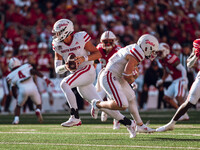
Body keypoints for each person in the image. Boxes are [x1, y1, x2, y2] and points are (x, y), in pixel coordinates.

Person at [52, 19, 140, 138]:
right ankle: (129, 123)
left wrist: (84, 58)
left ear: (66, 31)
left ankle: (75, 116)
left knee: (64, 84)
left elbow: (97, 54)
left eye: (58, 32)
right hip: (79, 75)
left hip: (87, 70)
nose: (56, 35)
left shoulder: (80, 37)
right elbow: (57, 69)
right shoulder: (57, 44)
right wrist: (65, 67)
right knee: (102, 105)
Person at [91, 34, 159, 133]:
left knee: (131, 97)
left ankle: (140, 125)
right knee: (122, 105)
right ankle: (97, 104)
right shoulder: (138, 52)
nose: (153, 53)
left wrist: (133, 75)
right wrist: (132, 80)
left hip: (116, 76)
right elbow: (127, 75)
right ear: (147, 47)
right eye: (152, 50)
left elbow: (130, 68)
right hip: (109, 75)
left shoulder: (135, 48)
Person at [156, 39, 200, 132]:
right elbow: (188, 64)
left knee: (180, 97)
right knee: (189, 101)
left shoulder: (170, 58)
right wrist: (195, 56)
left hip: (181, 79)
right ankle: (171, 124)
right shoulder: (197, 43)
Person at [6, 57, 54, 124]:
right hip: (32, 87)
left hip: (23, 90)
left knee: (18, 106)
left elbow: (13, 88)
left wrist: (15, 96)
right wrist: (45, 78)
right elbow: (34, 72)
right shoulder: (26, 66)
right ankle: (38, 110)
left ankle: (16, 120)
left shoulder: (10, 76)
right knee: (39, 104)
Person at [156, 43, 189, 120]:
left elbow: (183, 69)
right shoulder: (162, 60)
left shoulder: (170, 57)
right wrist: (162, 80)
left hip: (181, 79)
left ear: (166, 51)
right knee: (166, 98)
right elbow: (166, 71)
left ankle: (184, 114)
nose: (158, 54)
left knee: (178, 97)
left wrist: (184, 80)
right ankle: (180, 113)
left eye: (160, 52)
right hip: (175, 81)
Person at [96, 31, 122, 129]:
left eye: (110, 41)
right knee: (97, 96)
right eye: (105, 41)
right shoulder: (98, 49)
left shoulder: (119, 50)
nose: (107, 44)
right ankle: (104, 109)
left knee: (115, 99)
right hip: (103, 75)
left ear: (114, 41)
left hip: (115, 76)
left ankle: (117, 121)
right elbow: (94, 61)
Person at [35, 42, 54, 112]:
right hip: (40, 75)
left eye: (43, 49)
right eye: (41, 49)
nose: (42, 50)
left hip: (47, 74)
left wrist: (49, 65)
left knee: (50, 91)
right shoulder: (37, 56)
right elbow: (34, 67)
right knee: (40, 92)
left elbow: (52, 66)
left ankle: (52, 107)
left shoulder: (48, 56)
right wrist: (37, 67)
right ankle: (41, 108)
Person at [0, 45, 13, 112]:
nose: (8, 53)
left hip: (12, 78)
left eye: (9, 52)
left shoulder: (14, 59)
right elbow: (3, 70)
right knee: (6, 93)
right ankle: (2, 107)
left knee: (11, 94)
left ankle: (6, 107)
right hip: (5, 78)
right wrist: (8, 63)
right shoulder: (3, 59)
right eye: (7, 52)